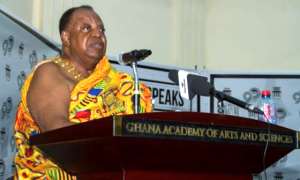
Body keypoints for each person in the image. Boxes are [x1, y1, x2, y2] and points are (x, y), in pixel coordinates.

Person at [14, 5, 152, 179]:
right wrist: (112, 140)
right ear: (66, 38)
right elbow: (56, 131)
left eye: (101, 29)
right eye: (87, 28)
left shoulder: (115, 81)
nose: (98, 34)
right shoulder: (50, 73)